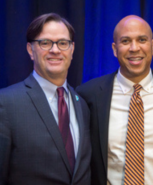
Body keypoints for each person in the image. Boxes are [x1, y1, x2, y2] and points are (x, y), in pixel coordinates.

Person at [76, 15, 153, 185]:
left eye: (142, 40)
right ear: (114, 49)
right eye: (125, 41)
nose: (134, 48)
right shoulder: (89, 95)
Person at [0, 13, 91, 185]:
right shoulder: (5, 103)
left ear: (72, 50)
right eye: (45, 43)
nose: (55, 50)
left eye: (63, 43)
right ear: (30, 50)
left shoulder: (83, 105)